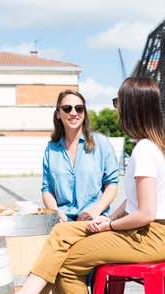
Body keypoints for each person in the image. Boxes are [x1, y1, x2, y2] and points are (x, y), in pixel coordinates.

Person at [17, 77, 165, 294]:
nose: (117, 110)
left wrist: (108, 224)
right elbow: (131, 204)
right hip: (149, 234)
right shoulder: (154, 145)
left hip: (147, 237)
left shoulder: (142, 150)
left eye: (119, 103)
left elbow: (145, 213)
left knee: (68, 263)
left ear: (133, 107)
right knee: (63, 233)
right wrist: (108, 218)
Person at [42, 89, 119, 222]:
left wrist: (95, 211)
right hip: (62, 221)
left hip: (93, 220)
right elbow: (47, 189)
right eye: (67, 108)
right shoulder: (51, 149)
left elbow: (112, 183)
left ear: (84, 113)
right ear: (58, 114)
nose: (73, 113)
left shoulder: (101, 143)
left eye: (79, 108)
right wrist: (56, 213)